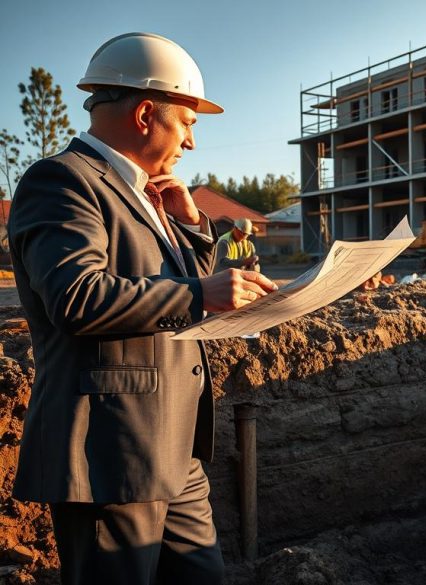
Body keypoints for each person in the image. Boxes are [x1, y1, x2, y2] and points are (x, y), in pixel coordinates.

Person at [8, 32, 278, 585]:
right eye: (189, 124)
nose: (192, 144)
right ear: (146, 113)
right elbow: (76, 297)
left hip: (176, 449)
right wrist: (202, 293)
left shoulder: (148, 194)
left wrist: (189, 229)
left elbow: (172, 296)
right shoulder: (63, 181)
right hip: (113, 454)